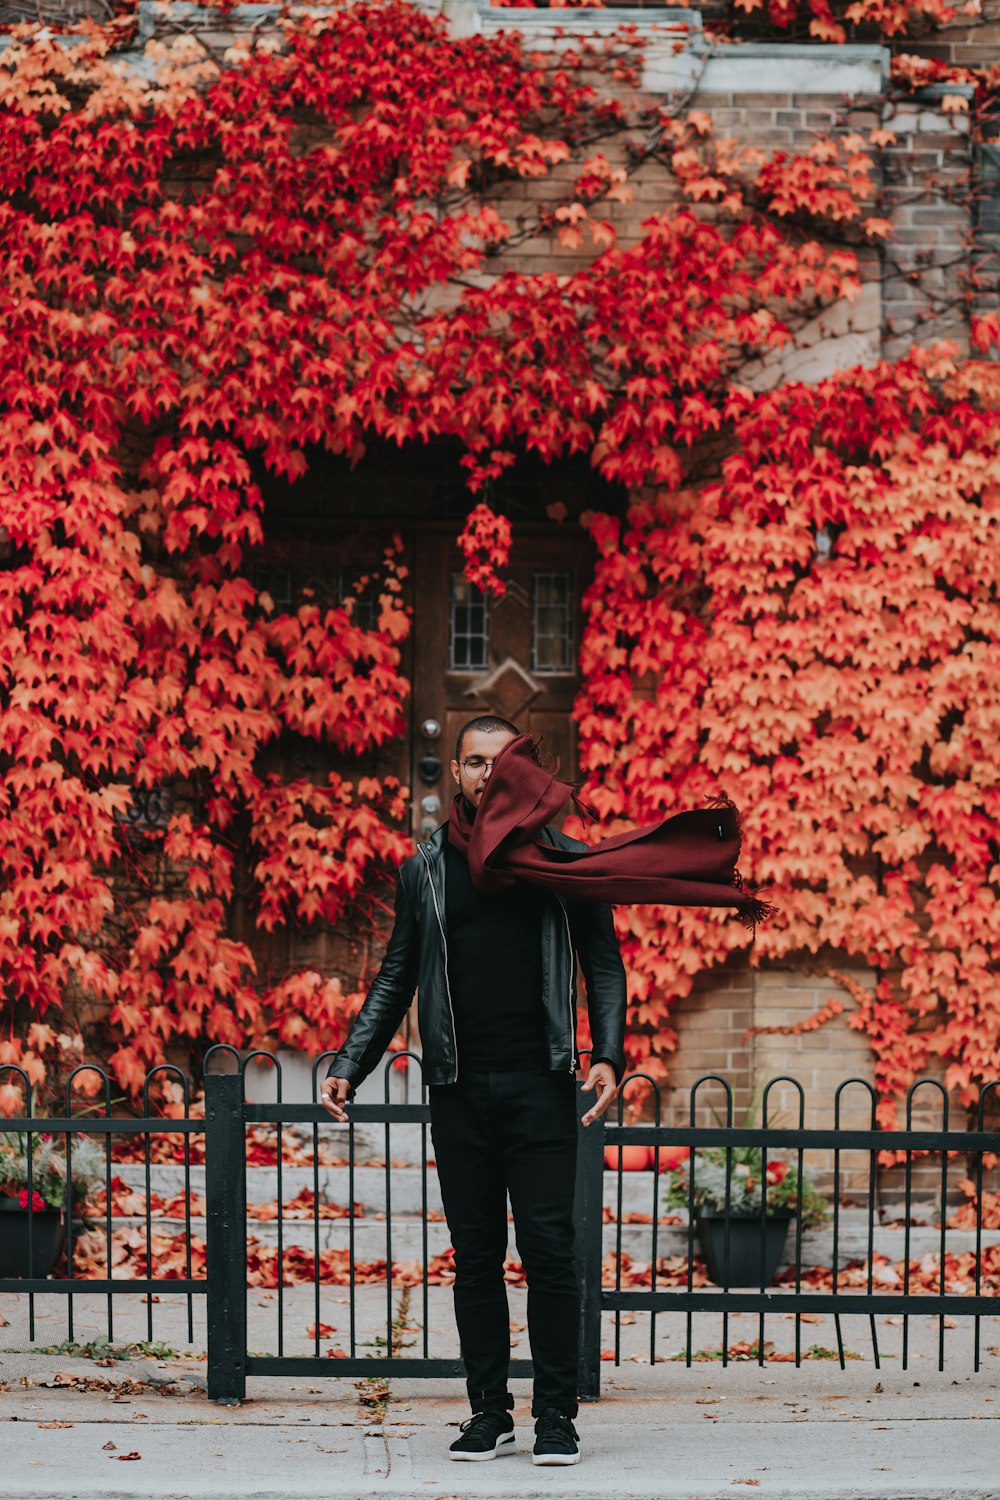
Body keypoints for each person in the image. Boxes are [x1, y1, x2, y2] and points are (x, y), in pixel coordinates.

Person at [321, 715, 627, 1468]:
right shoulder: (424, 868)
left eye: (503, 762)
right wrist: (350, 1062)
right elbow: (398, 974)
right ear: (456, 773)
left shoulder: (565, 862)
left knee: (551, 1252)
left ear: (523, 770)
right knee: (476, 1255)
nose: (489, 775)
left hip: (542, 1084)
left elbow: (604, 964)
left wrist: (609, 1056)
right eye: (476, 763)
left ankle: (557, 1414)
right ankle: (490, 1412)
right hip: (457, 1088)